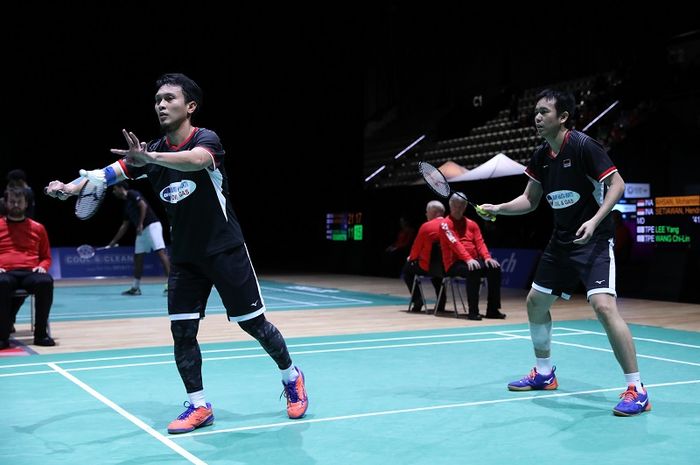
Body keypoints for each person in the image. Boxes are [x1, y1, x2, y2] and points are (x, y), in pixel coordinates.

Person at [45, 73, 308, 432]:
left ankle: (291, 377)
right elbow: (104, 175)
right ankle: (199, 406)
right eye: (157, 100)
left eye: (169, 98)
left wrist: (148, 157)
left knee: (255, 325)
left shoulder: (206, 139)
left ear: (190, 106)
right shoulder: (148, 153)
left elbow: (197, 161)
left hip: (225, 250)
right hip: (185, 258)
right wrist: (70, 187)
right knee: (182, 332)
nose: (161, 105)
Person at [479, 89, 650, 416]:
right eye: (536, 113)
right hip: (561, 241)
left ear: (563, 117)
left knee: (603, 305)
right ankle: (544, 373)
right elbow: (529, 200)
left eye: (544, 112)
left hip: (595, 239)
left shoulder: (584, 146)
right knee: (535, 302)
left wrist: (595, 219)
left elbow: (618, 185)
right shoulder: (541, 155)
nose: (537, 118)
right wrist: (499, 208)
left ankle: (636, 388)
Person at [0, 187, 55, 349]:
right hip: (5, 273)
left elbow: (46, 256)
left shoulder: (38, 228)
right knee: (0, 283)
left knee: (45, 282)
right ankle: (2, 337)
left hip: (30, 272)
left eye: (19, 201)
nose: (16, 204)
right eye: (12, 201)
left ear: (26, 204)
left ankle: (41, 335)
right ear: (6, 204)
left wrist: (43, 266)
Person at [439, 193, 505, 320]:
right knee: (474, 270)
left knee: (494, 268)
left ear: (465, 207)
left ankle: (493, 310)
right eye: (456, 206)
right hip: (454, 264)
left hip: (472, 261)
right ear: (450, 206)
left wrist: (487, 258)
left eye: (461, 207)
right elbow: (455, 244)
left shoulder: (472, 224)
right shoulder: (445, 224)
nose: (458, 210)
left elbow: (480, 243)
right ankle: (473, 311)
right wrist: (468, 259)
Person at [108, 181, 171, 296]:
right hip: (142, 230)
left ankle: (172, 285)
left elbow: (143, 205)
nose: (113, 192)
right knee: (138, 257)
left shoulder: (132, 193)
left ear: (121, 188)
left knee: (161, 253)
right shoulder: (126, 206)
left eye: (115, 189)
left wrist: (140, 223)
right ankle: (135, 288)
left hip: (152, 225)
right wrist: (113, 241)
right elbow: (124, 226)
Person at [0, 169, 37, 333]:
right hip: (7, 237)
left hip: (25, 237)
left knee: (24, 286)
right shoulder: (8, 194)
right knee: (8, 287)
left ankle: (9, 319)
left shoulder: (28, 193)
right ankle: (8, 320)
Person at [403, 200, 447, 313]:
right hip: (448, 269)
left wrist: (411, 258)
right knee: (438, 275)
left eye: (427, 212)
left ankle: (418, 300)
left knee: (407, 270)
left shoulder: (426, 227)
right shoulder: (451, 225)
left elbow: (416, 248)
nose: (426, 214)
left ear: (434, 212)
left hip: (428, 268)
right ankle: (441, 303)